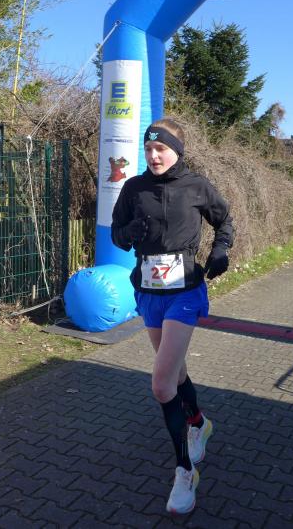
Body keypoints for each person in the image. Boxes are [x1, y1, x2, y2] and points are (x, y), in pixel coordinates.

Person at [111, 118, 234, 515]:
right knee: (176, 373)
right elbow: (116, 234)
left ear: (177, 150)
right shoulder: (134, 188)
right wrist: (128, 232)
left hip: (184, 292)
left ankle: (185, 472)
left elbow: (224, 221)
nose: (153, 155)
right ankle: (198, 423)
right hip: (149, 294)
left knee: (162, 385)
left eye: (160, 148)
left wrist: (220, 250)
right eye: (148, 149)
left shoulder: (197, 186)